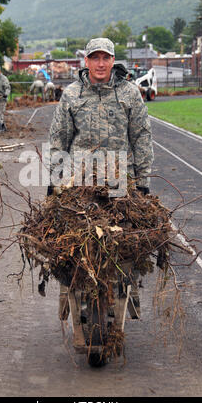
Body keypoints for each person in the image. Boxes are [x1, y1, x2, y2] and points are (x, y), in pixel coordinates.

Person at [48, 38, 154, 320]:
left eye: (105, 58)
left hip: (120, 180)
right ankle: (76, 292)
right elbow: (59, 139)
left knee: (125, 243)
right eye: (94, 58)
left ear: (112, 61)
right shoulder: (71, 94)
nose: (100, 63)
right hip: (80, 180)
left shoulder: (130, 93)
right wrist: (55, 180)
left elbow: (141, 136)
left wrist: (142, 180)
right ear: (86, 61)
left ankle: (125, 290)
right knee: (75, 243)